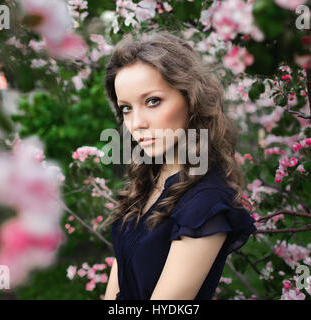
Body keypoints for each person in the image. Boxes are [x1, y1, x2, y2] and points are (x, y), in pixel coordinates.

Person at [100, 31, 257, 300]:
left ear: (190, 99)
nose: (136, 123)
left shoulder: (205, 203)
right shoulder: (146, 181)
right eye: (126, 108)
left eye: (152, 101)